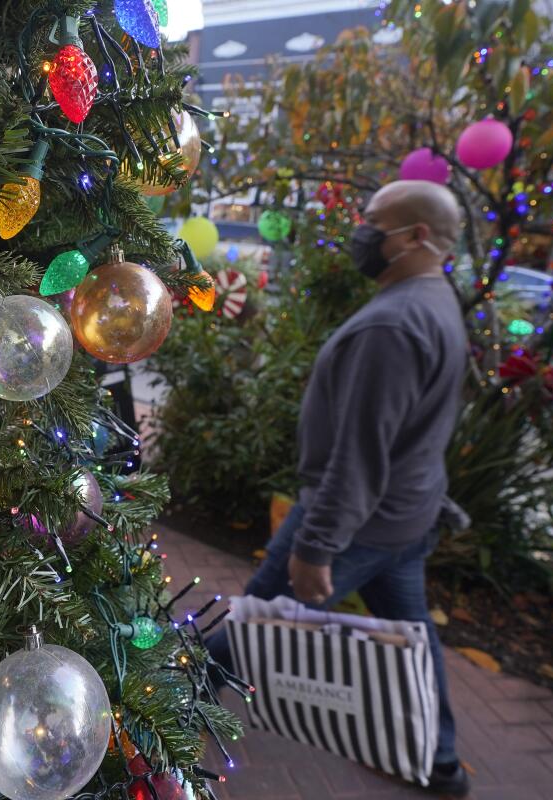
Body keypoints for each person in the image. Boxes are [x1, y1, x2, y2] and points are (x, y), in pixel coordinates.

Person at [206, 180, 471, 796]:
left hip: (355, 524)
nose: (362, 230)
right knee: (415, 638)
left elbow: (359, 455)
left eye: (374, 222)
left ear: (417, 236)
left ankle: (149, 720)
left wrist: (316, 547)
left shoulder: (394, 325)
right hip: (405, 518)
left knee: (250, 626)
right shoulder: (435, 298)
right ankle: (440, 762)